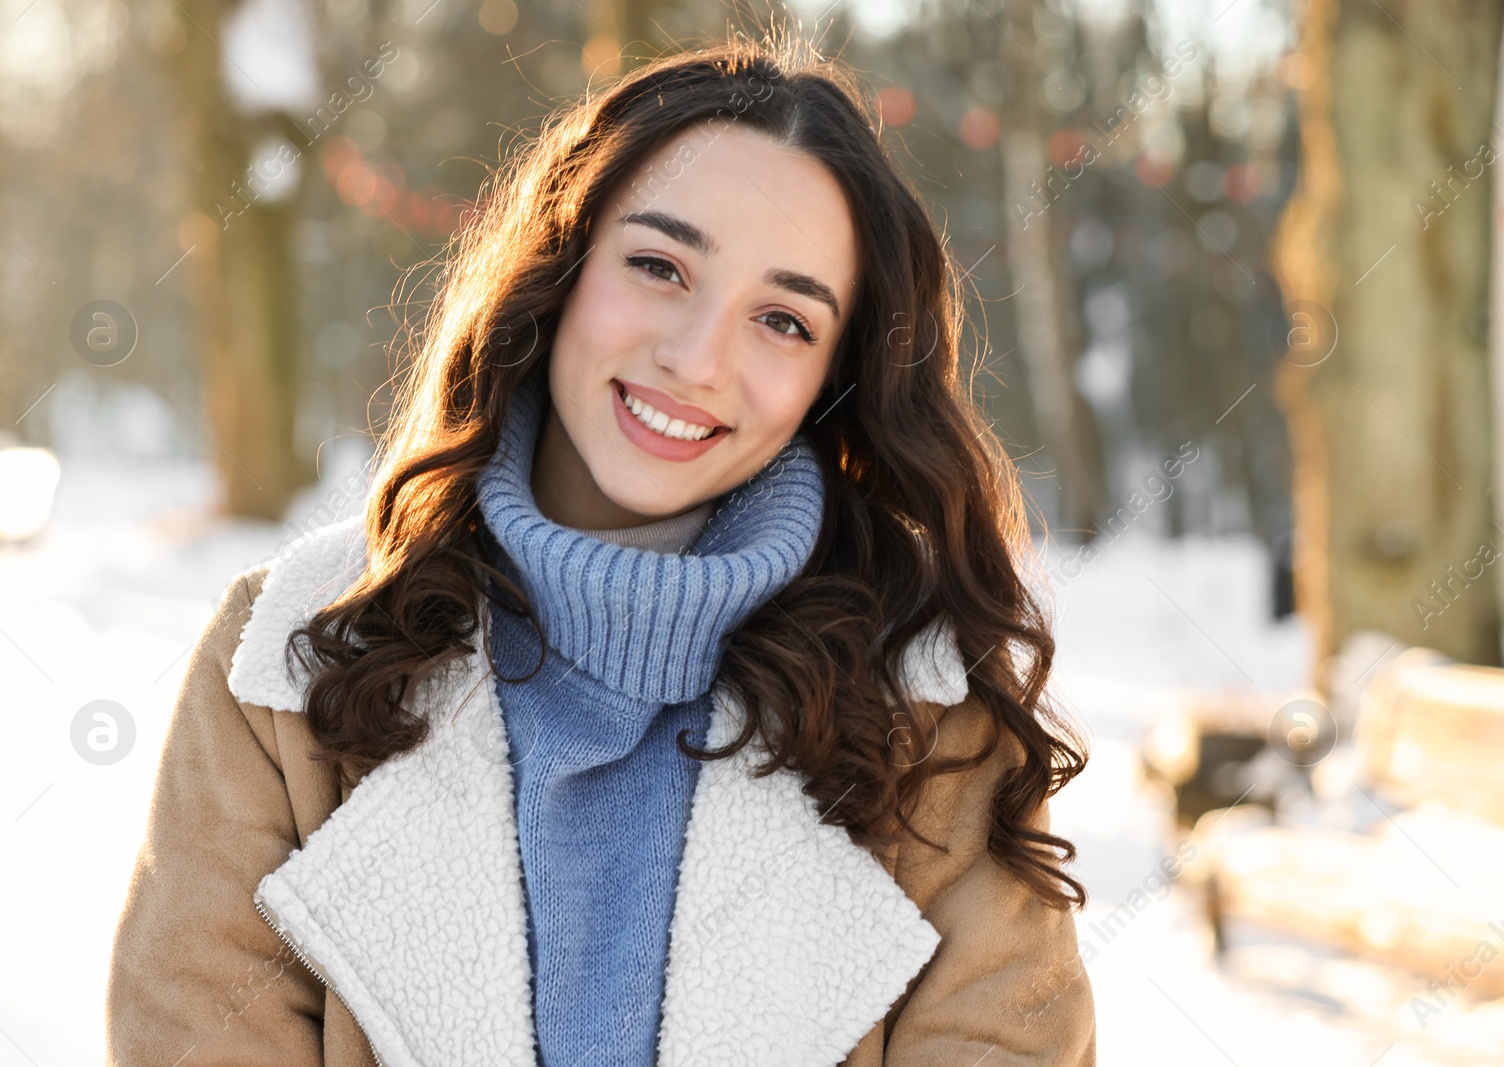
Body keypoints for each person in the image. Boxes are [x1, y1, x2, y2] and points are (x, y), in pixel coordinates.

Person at [106, 33, 1096, 1067]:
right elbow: (194, 1027)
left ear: (834, 379)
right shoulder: (286, 654)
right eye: (659, 265)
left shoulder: (930, 710)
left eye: (783, 320)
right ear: (562, 266)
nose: (696, 358)